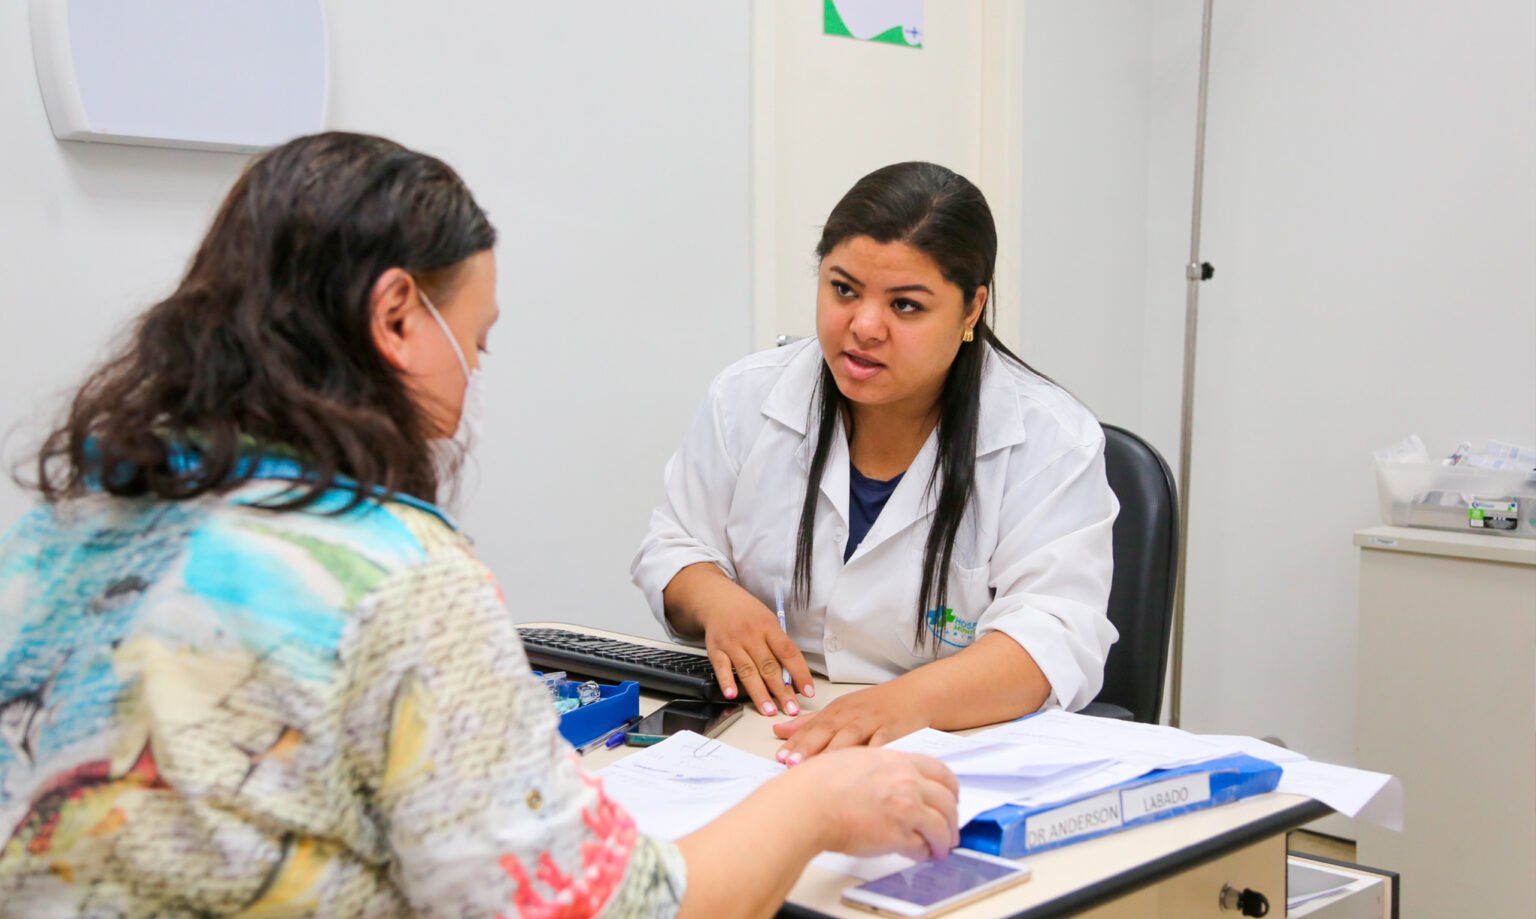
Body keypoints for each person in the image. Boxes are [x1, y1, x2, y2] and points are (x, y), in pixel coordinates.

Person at [0, 133, 960, 918]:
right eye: (478, 341)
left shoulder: (67, 527)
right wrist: (814, 806)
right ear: (396, 318)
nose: (468, 389)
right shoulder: (397, 572)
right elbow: (610, 911)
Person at [633, 162, 1119, 764]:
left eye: (906, 306)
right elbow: (673, 548)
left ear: (971, 310)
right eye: (843, 289)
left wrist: (900, 705)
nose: (863, 326)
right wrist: (717, 600)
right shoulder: (746, 398)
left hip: (949, 749)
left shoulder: (1051, 440)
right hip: (767, 734)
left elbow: (1054, 636)